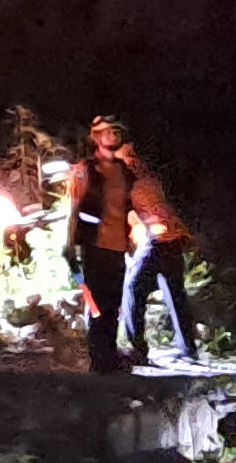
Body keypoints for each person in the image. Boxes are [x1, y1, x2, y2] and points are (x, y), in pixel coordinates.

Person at [89, 117, 201, 365]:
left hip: (158, 240)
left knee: (133, 289)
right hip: (170, 239)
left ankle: (137, 348)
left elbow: (142, 211)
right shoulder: (147, 178)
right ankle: (187, 348)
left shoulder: (137, 182)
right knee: (174, 293)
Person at [67, 119, 136, 372]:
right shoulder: (86, 169)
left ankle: (110, 355)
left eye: (116, 131)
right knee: (97, 304)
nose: (113, 135)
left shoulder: (124, 171)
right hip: (95, 244)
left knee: (113, 304)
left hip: (118, 245)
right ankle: (99, 359)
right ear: (96, 137)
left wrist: (132, 237)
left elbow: (129, 207)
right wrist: (70, 242)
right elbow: (75, 207)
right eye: (108, 132)